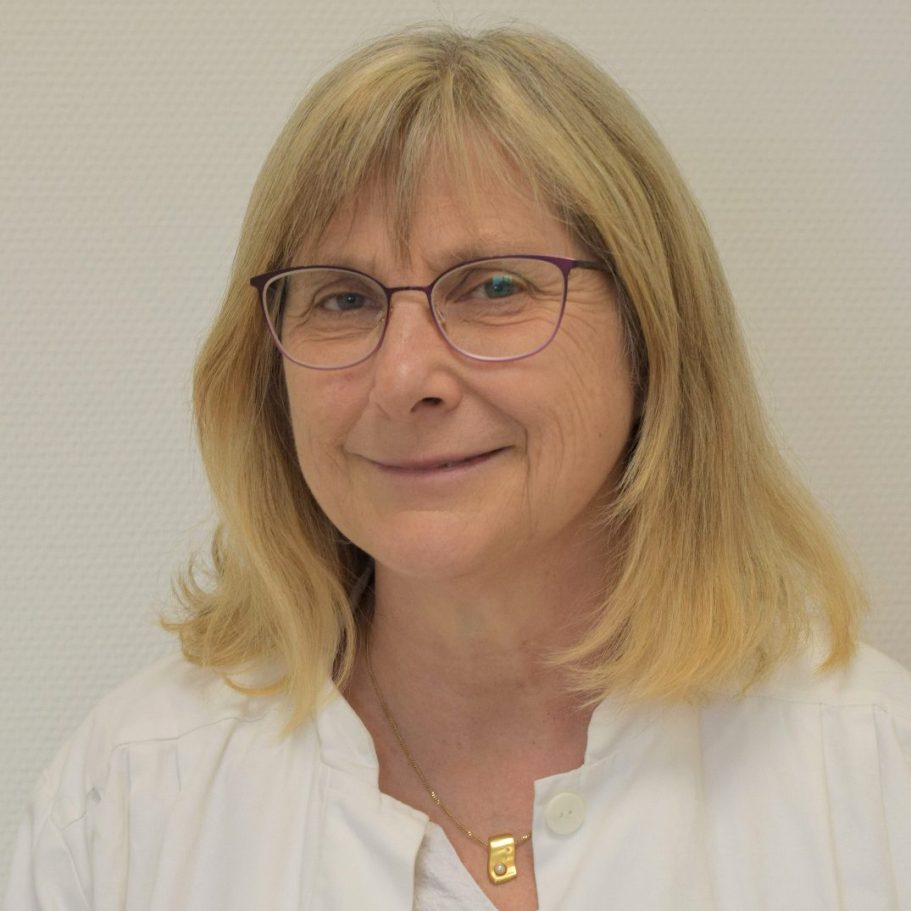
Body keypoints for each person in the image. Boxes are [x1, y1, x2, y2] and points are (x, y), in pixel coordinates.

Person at [5, 23, 910, 911]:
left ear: (650, 331)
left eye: (494, 287)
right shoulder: (128, 806)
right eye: (343, 298)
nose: (403, 378)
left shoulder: (871, 778)